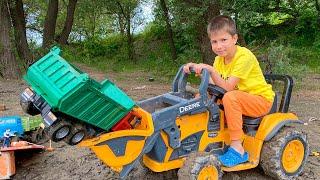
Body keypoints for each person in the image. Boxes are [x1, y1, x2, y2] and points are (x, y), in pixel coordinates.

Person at [183, 15, 275, 167]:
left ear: (234, 38)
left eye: (223, 40)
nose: (219, 46)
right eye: (214, 41)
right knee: (202, 95)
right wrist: (203, 74)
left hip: (260, 100)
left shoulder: (244, 56)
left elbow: (227, 88)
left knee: (230, 97)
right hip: (238, 98)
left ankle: (238, 149)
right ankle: (194, 134)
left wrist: (210, 70)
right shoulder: (219, 59)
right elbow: (216, 86)